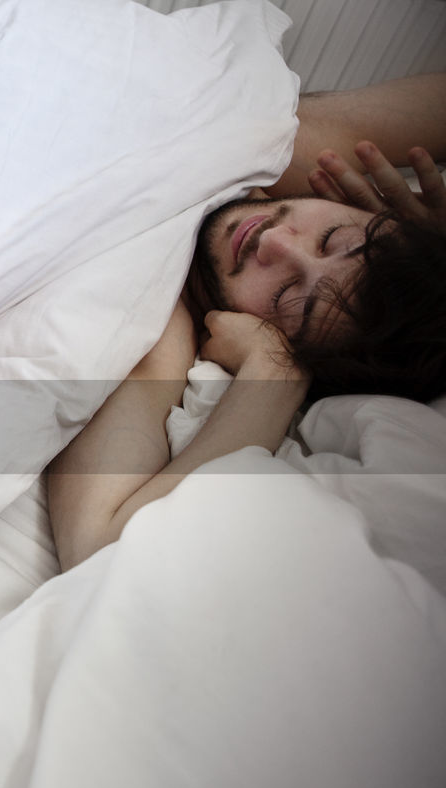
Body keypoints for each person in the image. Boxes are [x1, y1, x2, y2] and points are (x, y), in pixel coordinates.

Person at [47, 72, 446, 572]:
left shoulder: (165, 328)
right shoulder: (288, 154)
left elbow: (95, 546)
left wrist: (274, 373)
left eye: (286, 296)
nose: (275, 243)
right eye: (336, 239)